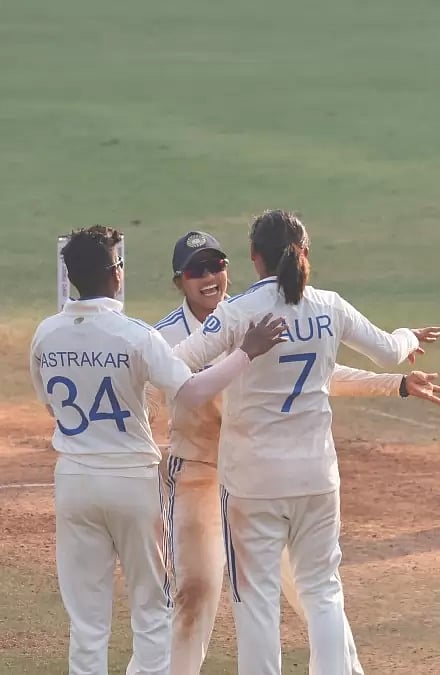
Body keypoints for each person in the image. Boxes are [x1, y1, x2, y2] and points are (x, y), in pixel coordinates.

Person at [153, 230, 440, 675]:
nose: (210, 276)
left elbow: (171, 372)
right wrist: (405, 342)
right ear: (179, 281)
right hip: (265, 474)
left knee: (261, 596)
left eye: (216, 265)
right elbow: (385, 349)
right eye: (197, 270)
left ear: (251, 259)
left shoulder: (240, 312)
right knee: (303, 591)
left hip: (250, 479)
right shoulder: (323, 304)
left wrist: (398, 384)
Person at [28, 225, 286, 675]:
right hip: (131, 478)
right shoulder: (137, 335)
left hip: (72, 478)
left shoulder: (45, 334)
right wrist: (246, 352)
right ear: (116, 275)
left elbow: (47, 400)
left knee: (87, 622)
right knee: (151, 610)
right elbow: (189, 392)